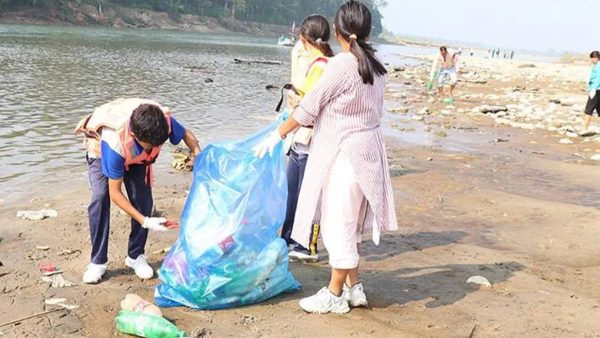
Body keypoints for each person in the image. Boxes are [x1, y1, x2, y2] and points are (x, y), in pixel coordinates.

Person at [254, 0, 398, 314]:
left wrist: (276, 135)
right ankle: (353, 287)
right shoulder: (376, 66)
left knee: (338, 225)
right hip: (368, 152)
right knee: (350, 221)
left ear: (337, 31)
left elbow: (308, 109)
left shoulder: (341, 66)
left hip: (346, 155)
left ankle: (333, 295)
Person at [74, 98, 201, 284]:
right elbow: (114, 193)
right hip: (101, 153)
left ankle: (135, 256)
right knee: (100, 199)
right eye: (149, 146)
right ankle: (97, 262)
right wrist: (145, 221)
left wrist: (198, 155)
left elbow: (186, 134)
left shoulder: (160, 122)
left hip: (137, 159)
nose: (153, 148)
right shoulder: (114, 143)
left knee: (143, 201)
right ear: (134, 134)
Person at [281, 14, 335, 263]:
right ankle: (287, 239)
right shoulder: (314, 61)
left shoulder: (324, 65)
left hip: (314, 140)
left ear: (305, 38)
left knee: (309, 197)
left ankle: (307, 246)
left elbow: (312, 107)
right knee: (292, 193)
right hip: (300, 140)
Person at [583, 51, 600, 131]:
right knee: (599, 109)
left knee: (588, 109)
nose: (591, 60)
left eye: (592, 58)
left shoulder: (598, 66)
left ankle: (584, 129)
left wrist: (593, 88)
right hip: (597, 89)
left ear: (596, 58)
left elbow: (598, 78)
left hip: (596, 90)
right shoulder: (596, 66)